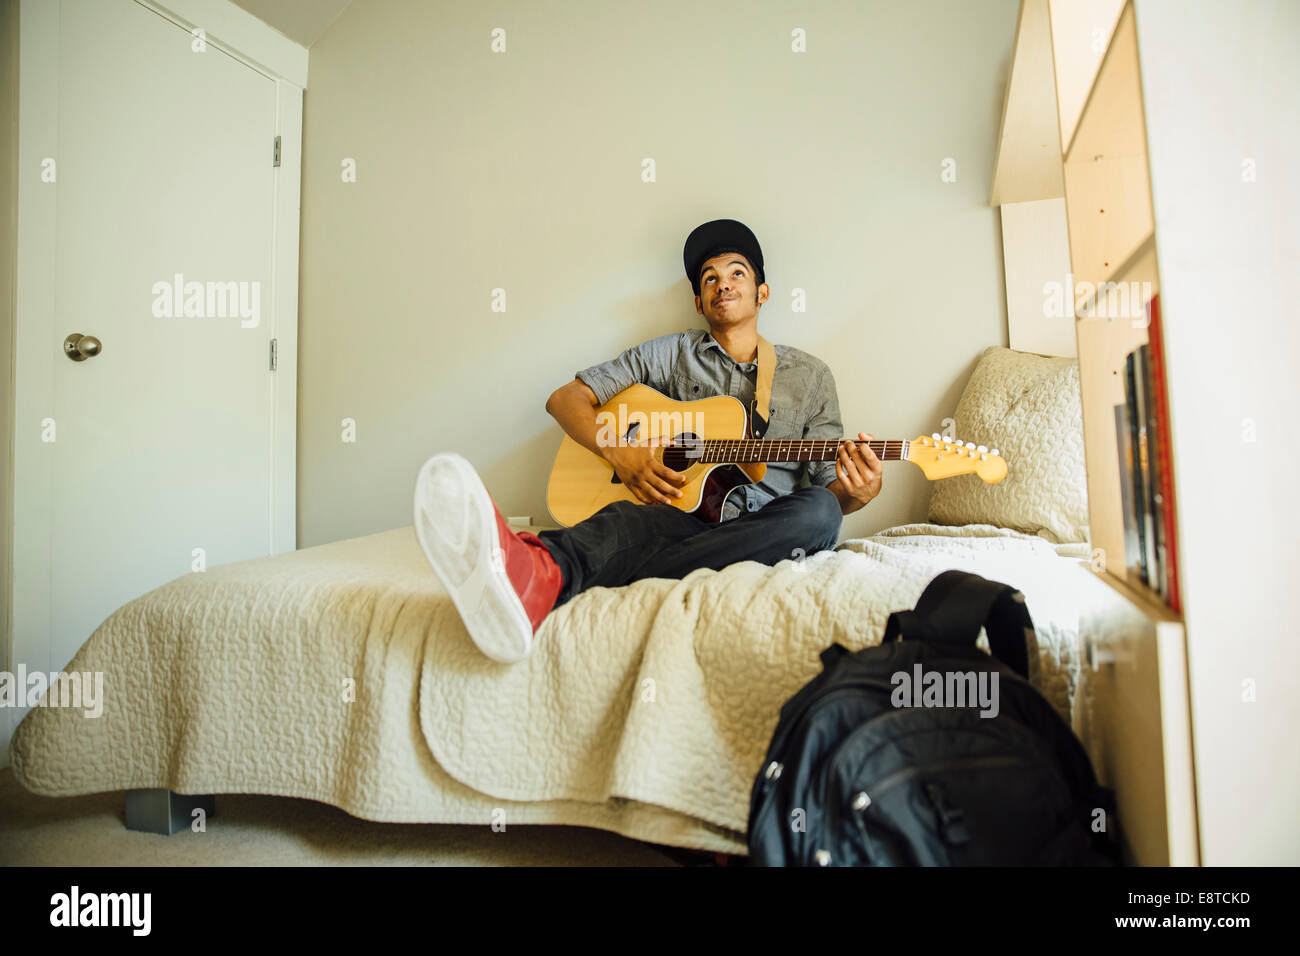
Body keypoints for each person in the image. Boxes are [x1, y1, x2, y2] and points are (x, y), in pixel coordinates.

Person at [414, 219, 883, 662]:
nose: (723, 284)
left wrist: (857, 492)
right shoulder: (672, 353)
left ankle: (620, 570)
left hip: (770, 529)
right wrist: (618, 450)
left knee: (821, 511)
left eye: (737, 273)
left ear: (762, 292)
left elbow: (833, 488)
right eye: (710, 278)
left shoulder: (810, 376)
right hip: (681, 521)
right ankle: (529, 576)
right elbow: (565, 400)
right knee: (626, 519)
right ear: (699, 302)